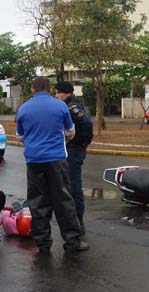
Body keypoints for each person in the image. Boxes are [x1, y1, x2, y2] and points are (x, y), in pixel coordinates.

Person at [16, 76, 88, 256]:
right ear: (49, 89)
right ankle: (72, 241)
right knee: (63, 200)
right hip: (57, 159)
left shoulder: (23, 108)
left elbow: (19, 136)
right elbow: (70, 131)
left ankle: (43, 244)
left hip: (33, 160)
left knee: (38, 202)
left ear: (32, 90)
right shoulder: (60, 106)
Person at [55, 81, 93, 234]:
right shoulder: (66, 105)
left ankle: (78, 221)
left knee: (74, 186)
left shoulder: (72, 107)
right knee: (66, 185)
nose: (56, 95)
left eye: (58, 92)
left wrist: (81, 142)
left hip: (74, 150)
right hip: (69, 150)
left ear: (67, 93)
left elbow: (86, 123)